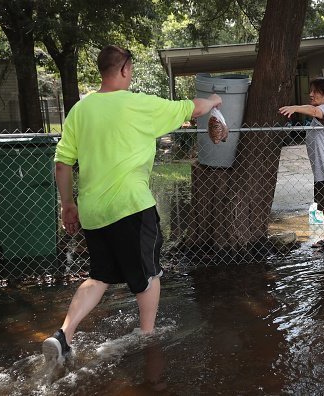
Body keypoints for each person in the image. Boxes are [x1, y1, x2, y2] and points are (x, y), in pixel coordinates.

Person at [42, 45, 222, 362]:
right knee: (149, 273)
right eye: (133, 69)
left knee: (98, 277)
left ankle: (63, 336)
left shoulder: (79, 111)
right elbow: (191, 109)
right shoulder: (137, 104)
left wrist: (67, 204)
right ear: (124, 69)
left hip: (94, 212)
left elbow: (62, 163)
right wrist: (214, 101)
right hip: (132, 208)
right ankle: (148, 337)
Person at [279, 78, 324, 255]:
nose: (311, 94)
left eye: (315, 91)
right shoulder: (323, 110)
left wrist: (295, 108)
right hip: (323, 170)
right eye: (310, 91)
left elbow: (313, 110)